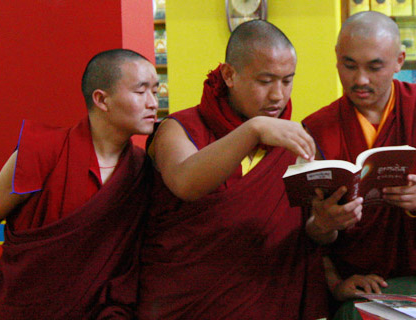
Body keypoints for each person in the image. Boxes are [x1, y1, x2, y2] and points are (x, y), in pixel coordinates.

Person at [136, 20, 333, 319]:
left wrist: (327, 224)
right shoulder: (180, 128)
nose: (278, 95)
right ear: (229, 75)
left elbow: (312, 237)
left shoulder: (295, 141)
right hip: (188, 306)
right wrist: (253, 130)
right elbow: (184, 182)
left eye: (287, 80)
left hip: (271, 304)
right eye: (265, 81)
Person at [0, 49, 160, 319]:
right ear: (101, 100)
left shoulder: (140, 169)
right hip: (25, 309)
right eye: (141, 92)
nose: (153, 103)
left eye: (155, 91)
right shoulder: (42, 151)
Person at [302, 11, 416, 302]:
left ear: (399, 60)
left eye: (375, 67)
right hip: (356, 279)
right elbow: (308, 232)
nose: (360, 79)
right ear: (336, 57)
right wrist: (336, 279)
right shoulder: (317, 129)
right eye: (349, 65)